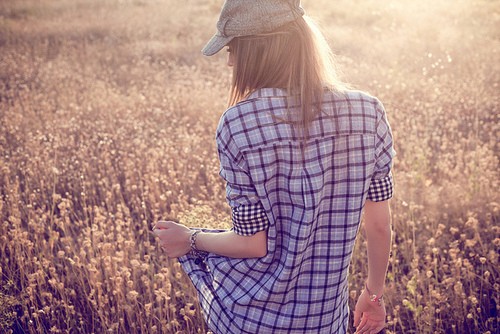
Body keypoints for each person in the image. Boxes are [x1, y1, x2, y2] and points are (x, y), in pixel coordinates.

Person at [153, 0, 395, 333]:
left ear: (258, 51)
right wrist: (374, 296)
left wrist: (191, 239)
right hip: (326, 321)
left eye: (232, 50)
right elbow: (379, 226)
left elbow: (252, 244)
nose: (230, 63)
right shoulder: (369, 113)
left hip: (252, 320)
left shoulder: (238, 123)